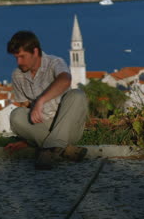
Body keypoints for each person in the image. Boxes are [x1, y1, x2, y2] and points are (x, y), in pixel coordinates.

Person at [7, 30, 88, 170]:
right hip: (42, 126)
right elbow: (25, 107)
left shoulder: (55, 63)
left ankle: (47, 149)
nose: (19, 62)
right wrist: (27, 140)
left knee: (77, 95)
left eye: (22, 57)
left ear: (35, 52)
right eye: (16, 58)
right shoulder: (17, 75)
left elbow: (65, 80)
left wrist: (40, 101)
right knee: (16, 115)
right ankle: (63, 149)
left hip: (67, 127)